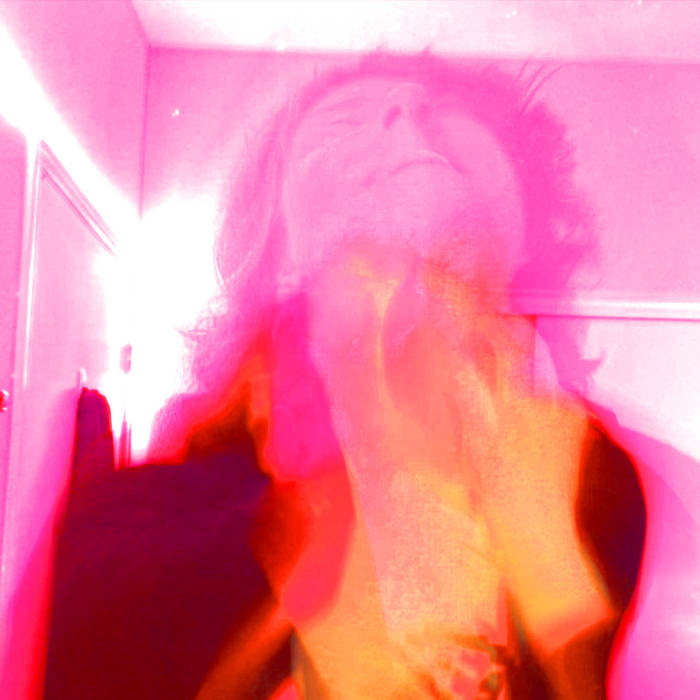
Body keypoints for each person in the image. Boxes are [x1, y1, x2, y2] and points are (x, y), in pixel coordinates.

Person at [46, 52, 645, 699]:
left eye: (441, 113)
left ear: (521, 236)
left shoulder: (594, 485)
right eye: (344, 122)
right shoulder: (149, 521)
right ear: (279, 258)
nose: (404, 112)